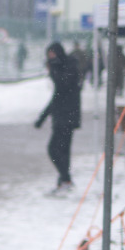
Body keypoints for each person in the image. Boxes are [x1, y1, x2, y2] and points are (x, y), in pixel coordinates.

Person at [34, 42, 83, 195]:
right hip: (62, 115)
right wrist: (42, 118)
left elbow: (62, 87)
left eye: (53, 54)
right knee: (63, 150)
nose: (51, 58)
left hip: (66, 116)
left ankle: (65, 179)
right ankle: (64, 181)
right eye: (49, 55)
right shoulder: (63, 66)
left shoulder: (67, 67)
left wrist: (53, 68)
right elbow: (57, 95)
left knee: (54, 149)